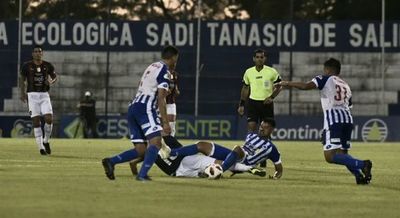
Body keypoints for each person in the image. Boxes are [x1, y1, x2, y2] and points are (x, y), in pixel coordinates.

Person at [276, 58, 372, 185]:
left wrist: (286, 83)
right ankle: (359, 176)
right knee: (342, 153)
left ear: (327, 69)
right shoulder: (346, 85)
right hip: (347, 119)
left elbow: (305, 86)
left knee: (330, 156)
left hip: (334, 119)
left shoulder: (325, 78)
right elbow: (349, 106)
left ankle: (362, 164)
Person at [101, 45, 179, 181]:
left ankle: (111, 161)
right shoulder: (164, 71)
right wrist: (165, 122)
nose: (176, 62)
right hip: (145, 107)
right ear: (173, 58)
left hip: (134, 106)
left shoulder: (152, 66)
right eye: (176, 59)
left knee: (141, 149)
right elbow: (161, 98)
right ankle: (142, 175)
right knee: (156, 143)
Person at [161, 118, 283, 180]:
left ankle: (220, 171)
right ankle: (171, 152)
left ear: (271, 130)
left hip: (243, 158)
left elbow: (279, 169)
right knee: (202, 145)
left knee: (237, 148)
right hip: (235, 156)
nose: (261, 129)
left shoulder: (271, 149)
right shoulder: (251, 135)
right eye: (261, 127)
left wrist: (276, 176)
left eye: (265, 128)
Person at [237, 49, 282, 168]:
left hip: (266, 104)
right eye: (257, 57)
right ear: (254, 59)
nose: (259, 59)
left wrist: (271, 97)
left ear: (265, 59)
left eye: (261, 57)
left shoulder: (271, 72)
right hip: (252, 103)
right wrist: (241, 104)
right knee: (251, 129)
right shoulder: (248, 72)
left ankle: (265, 157)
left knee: (266, 131)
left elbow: (279, 86)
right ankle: (248, 155)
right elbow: (245, 89)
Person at [129, 139, 267, 178]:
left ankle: (249, 168)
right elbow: (134, 162)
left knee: (215, 166)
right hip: (180, 165)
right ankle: (248, 168)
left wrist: (135, 168)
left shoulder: (154, 145)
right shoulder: (155, 144)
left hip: (179, 167)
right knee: (215, 165)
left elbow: (135, 162)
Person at [19, 45, 57, 155]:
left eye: (39, 51)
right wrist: (22, 93)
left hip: (44, 95)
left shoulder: (47, 65)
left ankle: (46, 141)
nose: (37, 53)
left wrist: (50, 81)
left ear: (42, 53)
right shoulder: (27, 66)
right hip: (32, 96)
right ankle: (41, 148)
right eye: (35, 51)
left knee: (49, 119)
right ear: (32, 54)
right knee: (36, 121)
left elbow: (54, 76)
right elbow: (22, 79)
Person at [166, 69, 180, 137]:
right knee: (160, 124)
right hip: (160, 102)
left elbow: (176, 88)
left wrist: (176, 91)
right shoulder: (161, 73)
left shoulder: (175, 74)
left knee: (171, 124)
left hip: (171, 102)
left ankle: (170, 142)